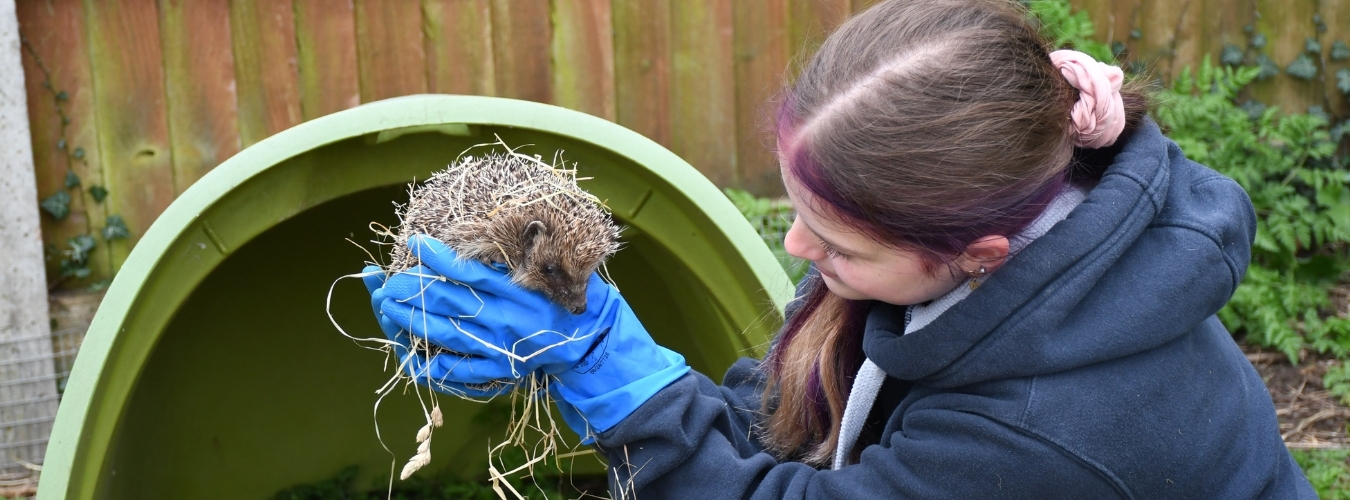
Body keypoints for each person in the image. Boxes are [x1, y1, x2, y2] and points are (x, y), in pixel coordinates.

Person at [363, 0, 1316, 497]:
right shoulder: (1031, 236)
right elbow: (809, 425)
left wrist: (628, 392)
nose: (793, 242)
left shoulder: (1045, 430)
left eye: (839, 245)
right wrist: (609, 365)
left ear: (978, 253)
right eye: (800, 208)